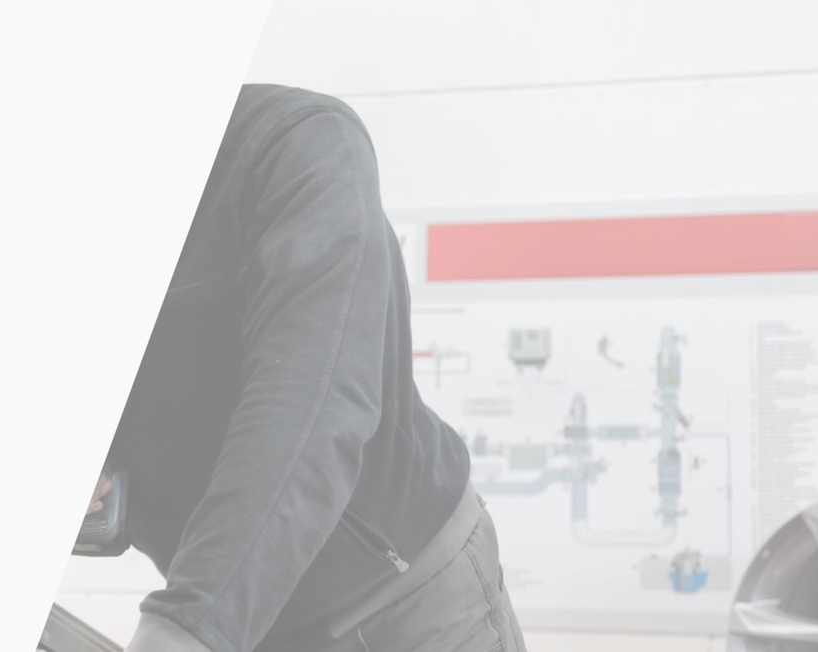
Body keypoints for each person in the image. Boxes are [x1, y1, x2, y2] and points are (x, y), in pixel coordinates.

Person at [85, 84, 525, 652]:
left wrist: (187, 627)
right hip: (247, 620)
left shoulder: (299, 144)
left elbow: (311, 410)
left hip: (406, 598)